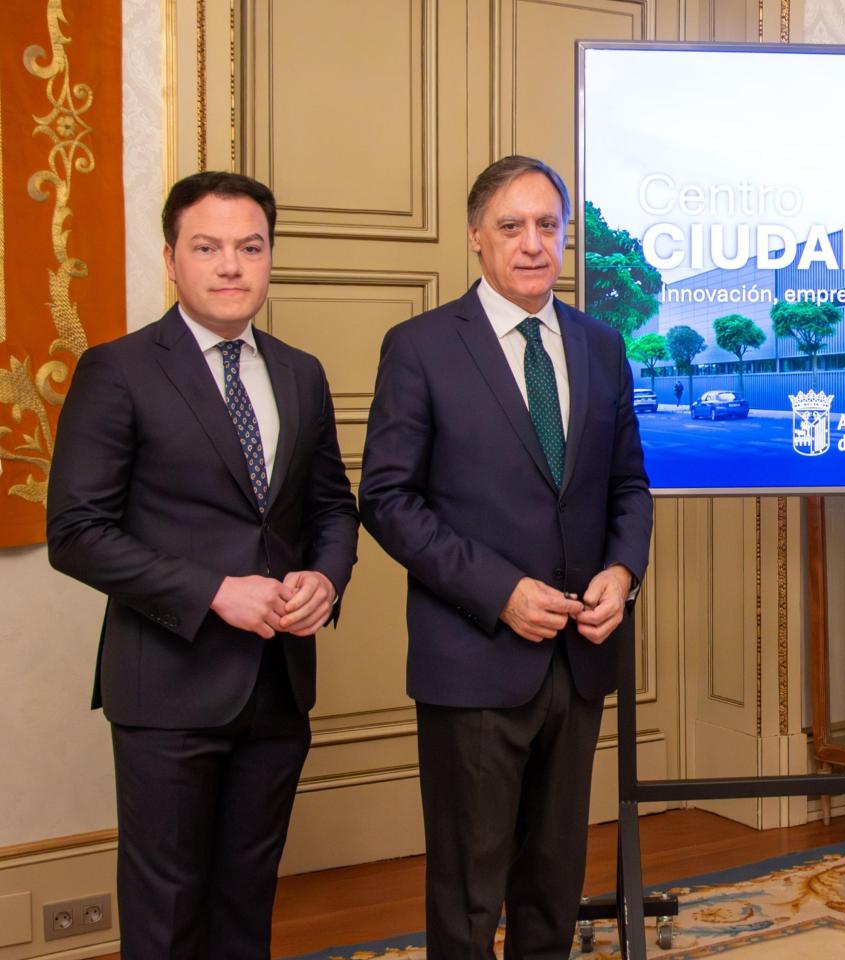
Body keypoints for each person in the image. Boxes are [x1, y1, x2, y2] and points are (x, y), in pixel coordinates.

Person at [46, 171, 359, 958]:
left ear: (269, 257)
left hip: (277, 685)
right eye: (207, 247)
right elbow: (76, 532)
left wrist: (325, 578)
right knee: (167, 916)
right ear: (171, 260)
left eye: (250, 248)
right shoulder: (118, 370)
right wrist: (214, 591)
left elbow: (331, 507)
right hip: (167, 687)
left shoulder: (300, 372)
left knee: (246, 906)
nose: (230, 266)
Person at [359, 155, 652, 958]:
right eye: (512, 225)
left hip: (580, 656)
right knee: (468, 890)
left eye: (547, 226)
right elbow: (387, 500)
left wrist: (622, 572)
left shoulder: (601, 346)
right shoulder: (420, 347)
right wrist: (500, 592)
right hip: (475, 656)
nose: (532, 243)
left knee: (552, 881)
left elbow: (628, 484)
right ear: (475, 236)